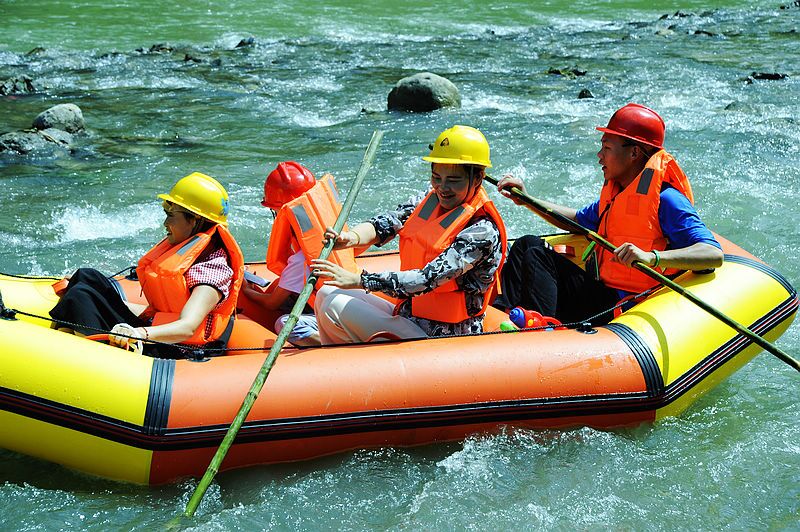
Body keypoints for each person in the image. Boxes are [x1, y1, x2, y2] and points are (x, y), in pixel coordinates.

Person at [493, 103, 724, 324]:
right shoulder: (618, 193)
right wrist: (526, 200)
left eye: (607, 147)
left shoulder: (667, 200)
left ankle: (538, 332)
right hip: (602, 293)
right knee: (526, 245)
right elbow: (576, 220)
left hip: (626, 307)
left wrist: (650, 257)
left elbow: (713, 253)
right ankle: (506, 318)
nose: (599, 156)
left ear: (634, 152)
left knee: (537, 254)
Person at [310, 125, 507, 343]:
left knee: (335, 306)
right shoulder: (430, 199)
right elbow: (387, 222)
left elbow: (426, 279)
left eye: (453, 180)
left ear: (478, 178)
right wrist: (351, 238)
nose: (442, 187)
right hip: (410, 317)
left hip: (445, 337)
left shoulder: (482, 231)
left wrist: (361, 280)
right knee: (326, 294)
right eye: (436, 177)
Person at [49, 172, 244, 357]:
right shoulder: (190, 251)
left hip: (176, 350)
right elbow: (160, 313)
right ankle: (63, 336)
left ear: (195, 220)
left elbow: (188, 327)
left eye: (171, 215)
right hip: (155, 333)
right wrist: (104, 297)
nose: (165, 223)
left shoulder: (212, 270)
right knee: (87, 277)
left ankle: (66, 352)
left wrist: (138, 334)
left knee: (81, 297)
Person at [242, 161, 358, 346]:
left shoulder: (301, 259)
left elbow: (271, 303)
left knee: (285, 324)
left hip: (337, 317)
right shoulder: (332, 237)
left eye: (276, 211)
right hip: (349, 307)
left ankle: (338, 346)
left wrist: (246, 289)